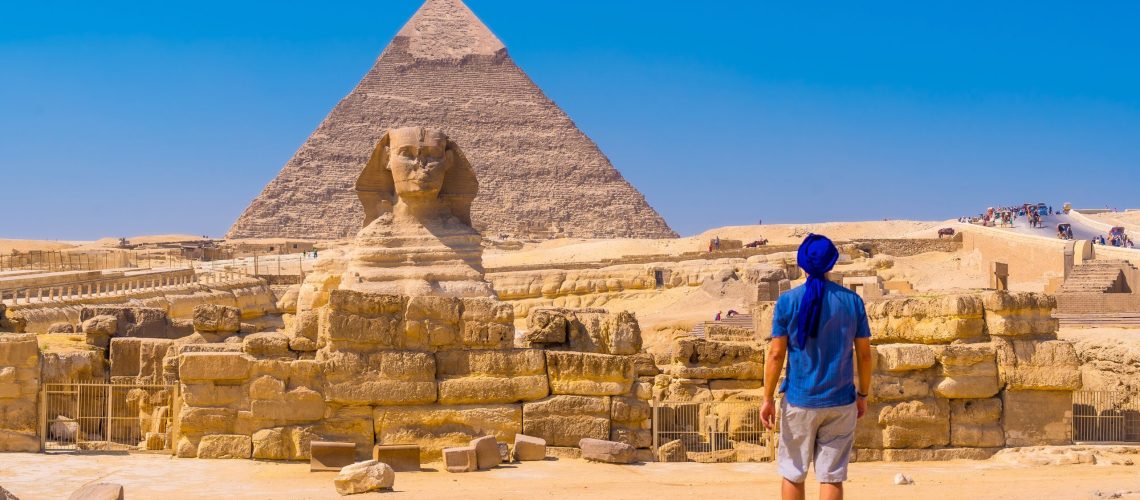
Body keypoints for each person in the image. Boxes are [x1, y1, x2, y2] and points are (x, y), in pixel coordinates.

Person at [761, 234, 872, 500]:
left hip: (799, 400)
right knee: (831, 476)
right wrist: (863, 395)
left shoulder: (788, 302)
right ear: (831, 263)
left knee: (793, 472)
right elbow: (865, 356)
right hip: (840, 399)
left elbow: (776, 355)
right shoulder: (852, 302)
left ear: (802, 264)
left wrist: (766, 398)